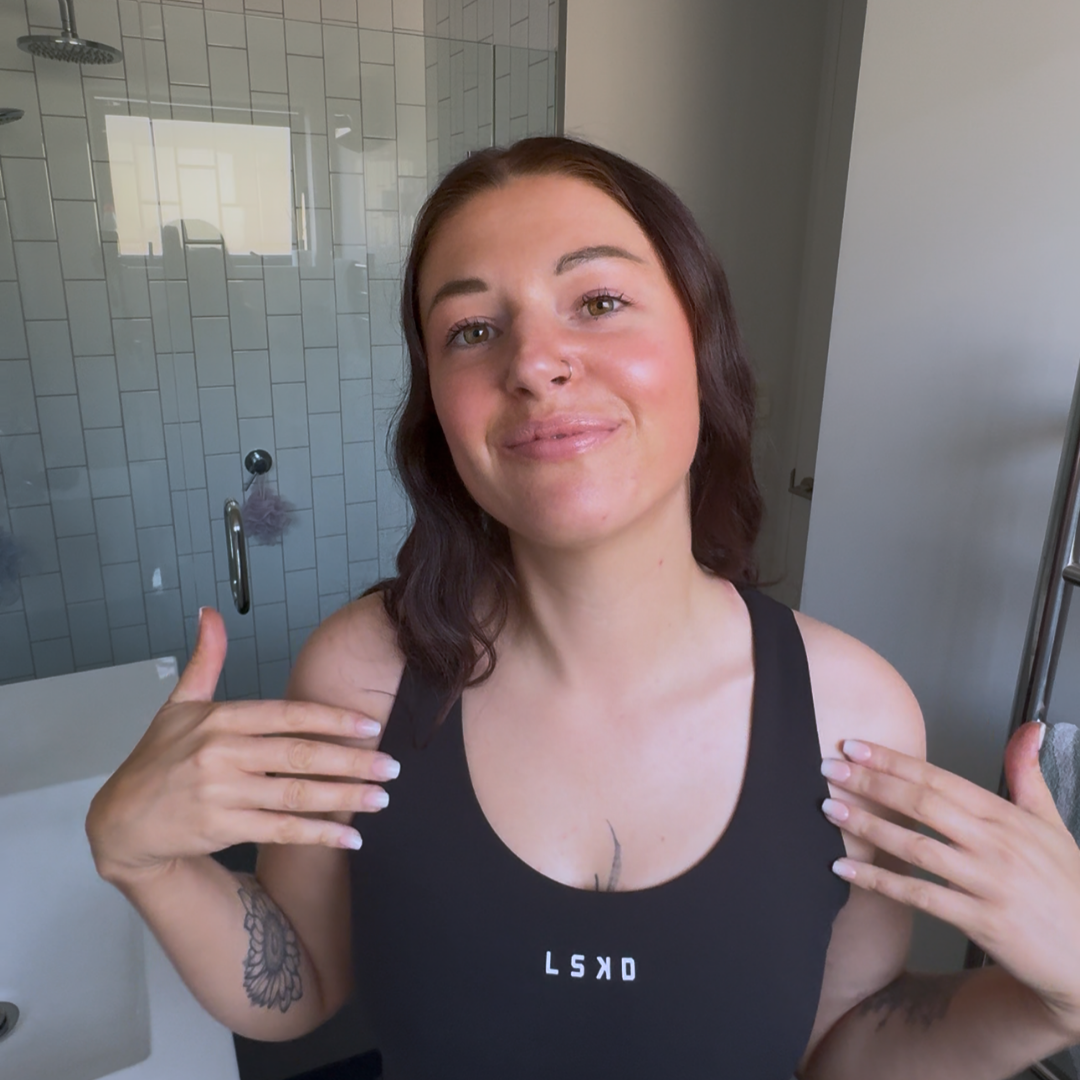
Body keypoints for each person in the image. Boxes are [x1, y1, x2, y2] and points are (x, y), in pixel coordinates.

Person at [86, 137, 1080, 1079]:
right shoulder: (361, 676)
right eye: (472, 329)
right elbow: (296, 985)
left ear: (702, 347)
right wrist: (144, 861)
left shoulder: (855, 717)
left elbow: (840, 1049)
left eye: (598, 300)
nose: (532, 362)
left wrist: (1058, 1002)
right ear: (439, 404)